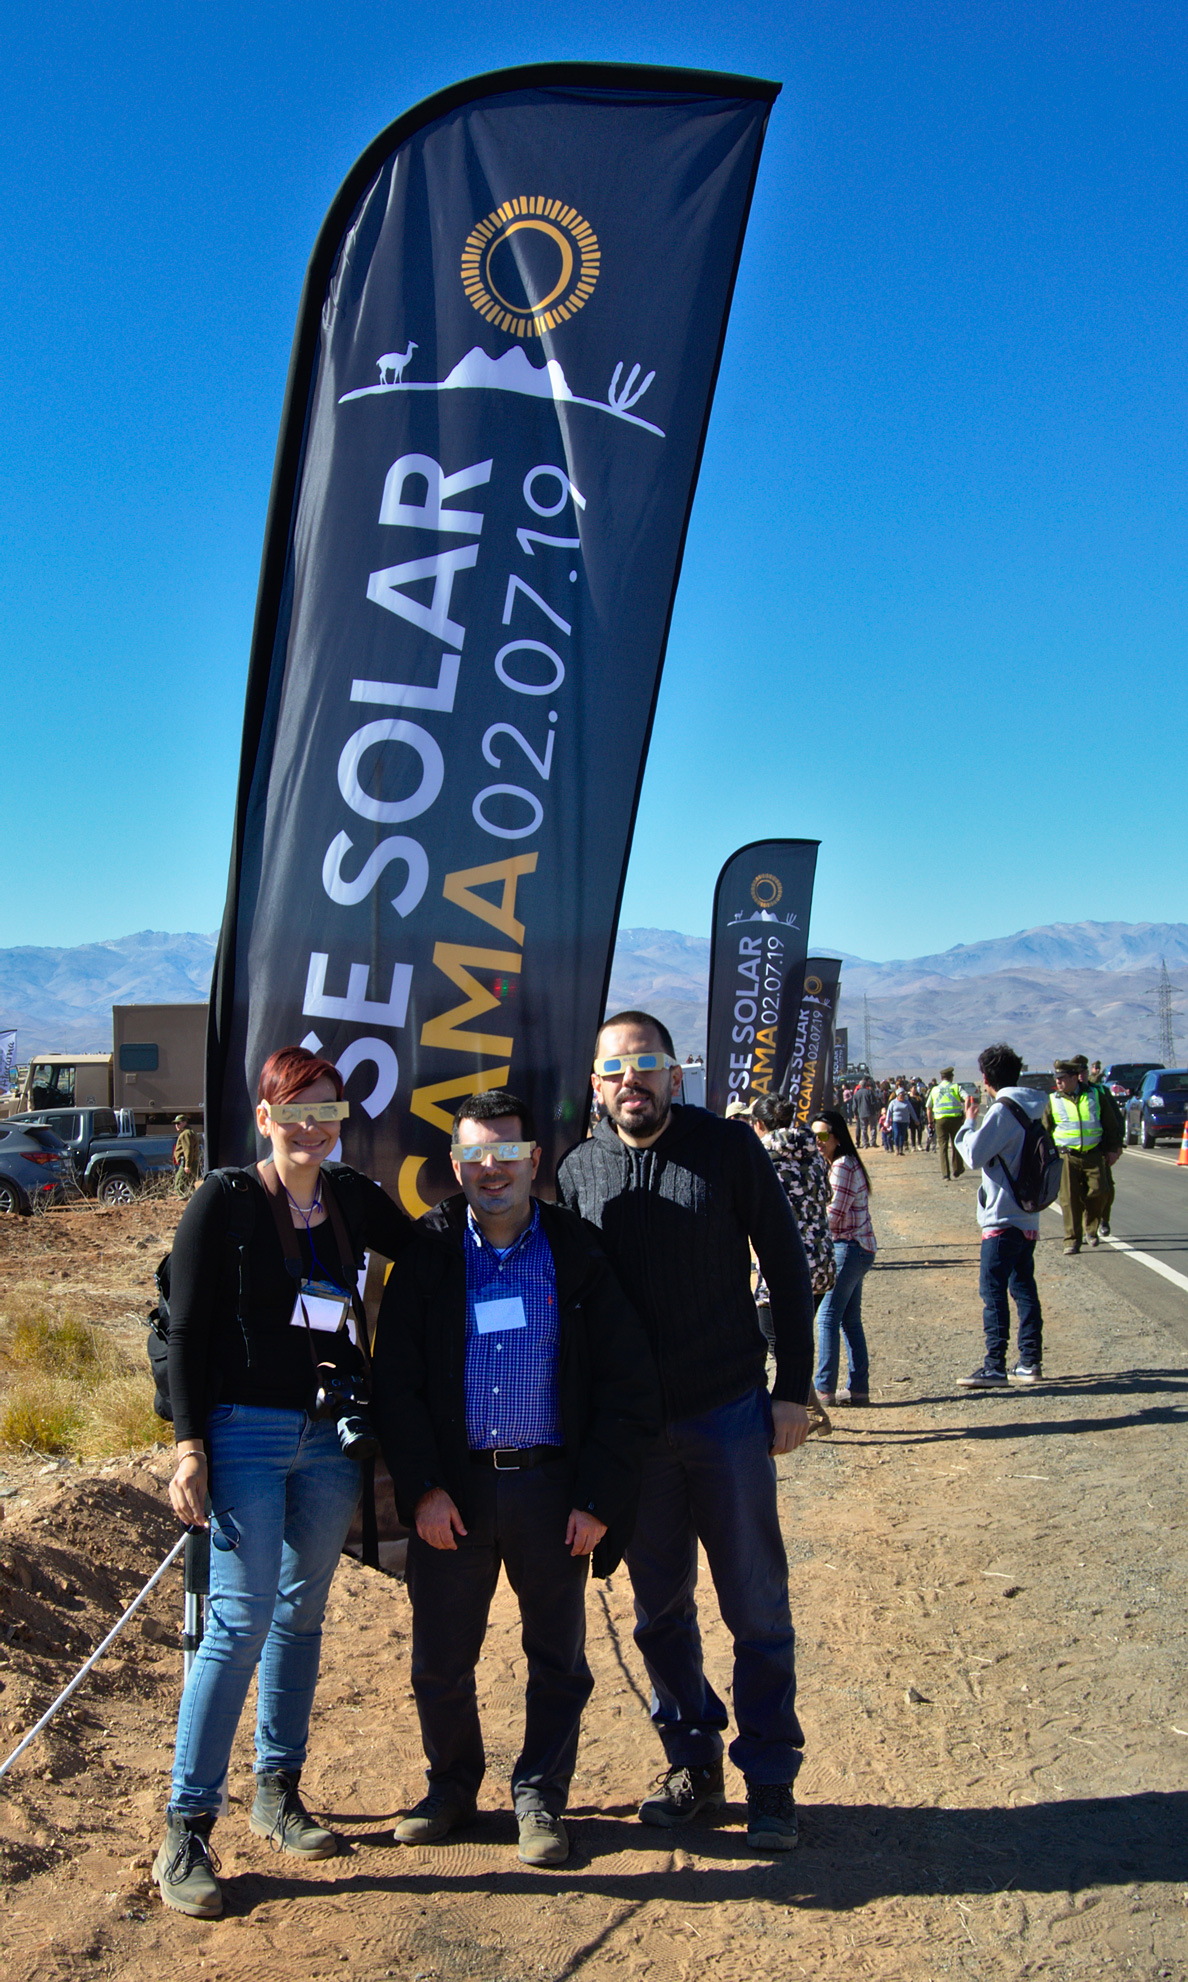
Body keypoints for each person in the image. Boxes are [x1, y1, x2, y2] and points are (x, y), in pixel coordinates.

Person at [152, 1046, 414, 1919]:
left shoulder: (352, 1199)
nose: (312, 1127)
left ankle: (278, 1790)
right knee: (239, 1620)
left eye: (327, 1111)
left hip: (331, 1442)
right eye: (295, 1110)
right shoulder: (224, 1201)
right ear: (264, 1117)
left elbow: (429, 1258)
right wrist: (189, 1448)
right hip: (245, 1437)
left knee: (300, 1615)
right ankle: (188, 1826)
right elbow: (186, 1330)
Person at [372, 1090, 657, 1868]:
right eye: (474, 1153)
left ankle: (539, 1797)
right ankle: (451, 1790)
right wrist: (423, 1489)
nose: (490, 1168)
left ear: (534, 1160)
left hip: (552, 1491)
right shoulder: (428, 1256)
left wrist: (597, 1498)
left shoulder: (578, 1251)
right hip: (454, 1496)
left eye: (505, 1152)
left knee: (557, 1661)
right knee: (439, 1660)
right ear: (455, 1163)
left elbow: (627, 1387)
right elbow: (396, 1386)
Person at [556, 1011, 814, 1853]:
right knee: (658, 1611)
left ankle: (770, 1775)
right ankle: (692, 1760)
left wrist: (792, 1391)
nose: (631, 1079)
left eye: (646, 1063)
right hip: (636, 1437)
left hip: (727, 1414)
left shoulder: (727, 1148)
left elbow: (787, 1266)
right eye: (615, 1068)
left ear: (675, 1074)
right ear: (596, 1086)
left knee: (755, 1604)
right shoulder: (578, 1171)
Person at [954, 1043, 1047, 1386]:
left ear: (986, 1078)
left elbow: (973, 1156)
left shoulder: (1002, 1112)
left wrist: (968, 1122)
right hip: (1027, 1216)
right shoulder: (1033, 1108)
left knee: (993, 1292)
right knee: (1024, 1289)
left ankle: (994, 1365)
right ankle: (1030, 1361)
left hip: (1002, 1217)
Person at [748, 1092, 836, 1434]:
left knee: (772, 1336)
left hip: (784, 1266)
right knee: (794, 1337)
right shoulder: (814, 1153)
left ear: (759, 1124)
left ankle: (810, 1410)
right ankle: (810, 1409)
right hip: (820, 1262)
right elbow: (826, 1196)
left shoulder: (762, 1158)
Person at [809, 1109, 876, 1406]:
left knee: (827, 1317)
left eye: (823, 1135)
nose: (818, 1141)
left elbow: (833, 1217)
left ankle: (824, 1388)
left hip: (848, 1247)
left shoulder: (842, 1166)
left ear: (837, 1136)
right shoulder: (838, 1164)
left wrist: (806, 1227)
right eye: (813, 1135)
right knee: (849, 1320)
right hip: (855, 1247)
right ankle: (859, 1389)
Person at [1045, 1059, 1124, 1254]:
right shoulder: (1053, 1100)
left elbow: (1110, 1124)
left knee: (1101, 1190)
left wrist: (1113, 1149)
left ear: (1074, 1078)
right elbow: (1044, 1130)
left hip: (1093, 1154)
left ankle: (1091, 1227)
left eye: (1062, 1078)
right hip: (1066, 1156)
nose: (1058, 1082)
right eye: (1057, 1078)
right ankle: (1071, 1240)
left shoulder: (1095, 1095)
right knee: (1069, 1199)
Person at [927, 1067, 965, 1180]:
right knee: (956, 1143)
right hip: (955, 1119)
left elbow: (928, 1107)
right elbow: (967, 1097)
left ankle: (945, 1173)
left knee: (943, 1146)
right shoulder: (955, 1087)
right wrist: (966, 1115)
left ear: (941, 1078)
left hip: (940, 1121)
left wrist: (930, 1122)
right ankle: (957, 1168)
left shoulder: (935, 1090)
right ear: (951, 1077)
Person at [172, 1114, 202, 1195]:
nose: (176, 1125)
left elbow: (188, 1150)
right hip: (192, 1162)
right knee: (189, 1184)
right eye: (175, 1123)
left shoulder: (185, 1133)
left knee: (179, 1185)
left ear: (184, 1122)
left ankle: (183, 1199)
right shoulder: (189, 1132)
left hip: (186, 1162)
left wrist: (187, 1165)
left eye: (178, 1123)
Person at [886, 1084, 918, 1155]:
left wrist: (916, 1120)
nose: (903, 1096)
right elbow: (889, 1112)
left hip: (904, 1121)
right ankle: (896, 1148)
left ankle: (901, 1149)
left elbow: (912, 1111)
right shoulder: (893, 1102)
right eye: (901, 1094)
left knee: (902, 1135)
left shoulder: (907, 1102)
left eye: (904, 1095)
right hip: (896, 1121)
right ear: (898, 1095)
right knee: (897, 1133)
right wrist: (887, 1121)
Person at [853, 1078, 880, 1148]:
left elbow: (854, 1106)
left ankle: (865, 1143)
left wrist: (855, 1114)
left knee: (863, 1128)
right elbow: (873, 1103)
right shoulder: (869, 1092)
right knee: (873, 1128)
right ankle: (873, 1142)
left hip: (861, 1113)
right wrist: (877, 1110)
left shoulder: (856, 1094)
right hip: (871, 1113)